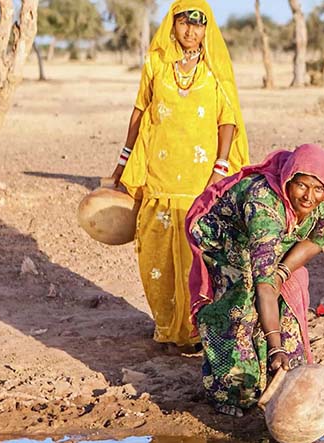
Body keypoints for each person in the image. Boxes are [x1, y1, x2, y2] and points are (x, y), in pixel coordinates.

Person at [110, 0, 249, 348]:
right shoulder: (156, 63)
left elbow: (227, 118)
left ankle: (195, 330)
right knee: (155, 253)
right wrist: (124, 159)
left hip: (200, 178)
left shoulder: (215, 68)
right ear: (172, 25)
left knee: (197, 255)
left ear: (207, 30)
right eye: (184, 23)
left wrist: (220, 166)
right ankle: (166, 325)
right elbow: (140, 111)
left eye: (198, 25)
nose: (190, 30)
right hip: (160, 173)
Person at [186, 145, 324, 417]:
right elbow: (264, 286)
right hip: (226, 240)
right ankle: (230, 392)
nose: (309, 196)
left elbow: (316, 240)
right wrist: (275, 345)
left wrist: (283, 270)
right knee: (236, 308)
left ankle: (278, 378)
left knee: (288, 308)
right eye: (301, 186)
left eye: (317, 189)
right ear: (288, 180)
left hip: (274, 242)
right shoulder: (263, 205)